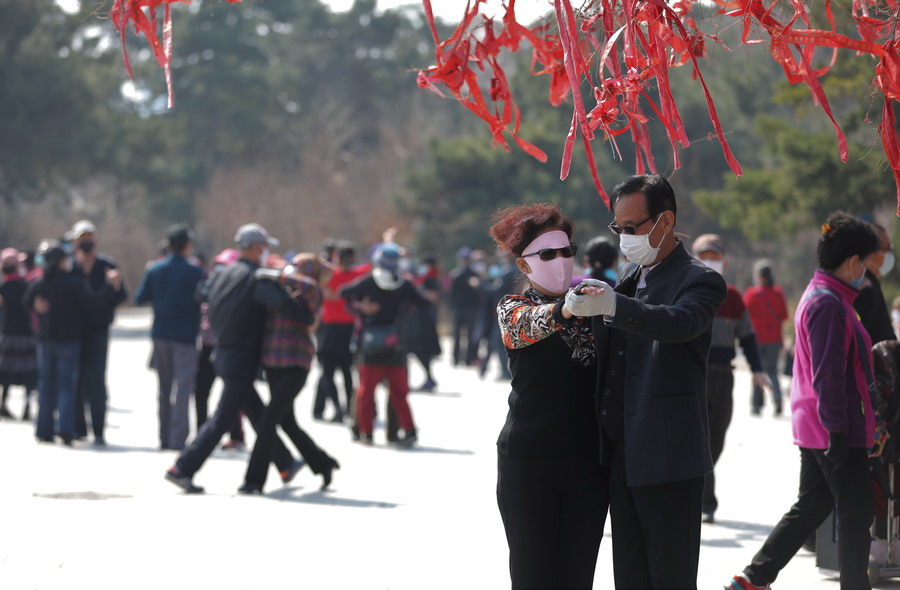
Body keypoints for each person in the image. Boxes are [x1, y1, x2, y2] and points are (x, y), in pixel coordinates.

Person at [565, 174, 727, 589]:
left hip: (669, 452)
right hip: (623, 449)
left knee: (669, 575)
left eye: (631, 227)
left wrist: (615, 306)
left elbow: (680, 323)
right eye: (617, 227)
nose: (623, 237)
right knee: (630, 572)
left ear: (665, 221)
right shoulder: (630, 273)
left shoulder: (699, 278)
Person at [726, 212, 879, 590]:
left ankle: (753, 578)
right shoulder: (828, 303)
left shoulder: (825, 296)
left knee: (812, 506)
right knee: (857, 514)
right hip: (835, 428)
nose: (867, 270)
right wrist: (838, 432)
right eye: (866, 262)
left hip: (818, 425)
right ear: (853, 262)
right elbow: (828, 374)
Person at [489, 203, 607, 589]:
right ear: (524, 265)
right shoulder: (513, 307)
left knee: (578, 576)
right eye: (548, 254)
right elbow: (525, 325)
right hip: (529, 462)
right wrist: (565, 310)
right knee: (532, 575)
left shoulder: (595, 307)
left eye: (566, 251)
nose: (561, 260)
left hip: (588, 462)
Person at [164, 223, 307, 493]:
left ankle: (285, 462)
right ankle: (182, 468)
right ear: (257, 248)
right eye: (264, 247)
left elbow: (200, 293)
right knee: (223, 418)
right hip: (242, 356)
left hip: (221, 352)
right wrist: (306, 311)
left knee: (257, 411)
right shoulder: (257, 278)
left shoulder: (221, 274)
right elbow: (283, 305)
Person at [240, 253, 340, 494]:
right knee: (286, 421)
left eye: (297, 266)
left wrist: (276, 273)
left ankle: (254, 481)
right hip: (273, 361)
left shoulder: (311, 289)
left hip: (296, 362)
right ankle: (322, 463)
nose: (291, 268)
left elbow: (298, 283)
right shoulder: (282, 288)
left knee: (268, 420)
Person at [692, 233, 770, 524]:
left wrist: (758, 370)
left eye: (714, 257)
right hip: (693, 374)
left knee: (715, 441)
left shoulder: (733, 297)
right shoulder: (684, 290)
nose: (710, 262)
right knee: (697, 440)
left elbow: (747, 337)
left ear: (724, 261)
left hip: (723, 376)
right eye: (704, 257)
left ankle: (701, 493)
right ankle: (705, 502)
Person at [24, 243, 118, 445]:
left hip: (46, 341)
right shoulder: (73, 283)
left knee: (46, 384)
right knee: (66, 385)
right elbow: (93, 302)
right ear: (59, 261)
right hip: (68, 342)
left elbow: (27, 300)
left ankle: (44, 429)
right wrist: (110, 286)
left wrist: (35, 306)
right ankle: (66, 428)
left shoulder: (41, 282)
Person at [340, 243, 429, 446]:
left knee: (365, 392)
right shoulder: (404, 284)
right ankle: (406, 431)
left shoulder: (368, 281)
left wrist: (361, 308)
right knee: (399, 393)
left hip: (370, 345)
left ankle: (366, 433)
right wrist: (405, 307)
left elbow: (343, 293)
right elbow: (424, 302)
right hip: (395, 344)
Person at [134, 226, 203, 451]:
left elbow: (140, 297)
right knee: (183, 389)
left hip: (161, 334)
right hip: (185, 336)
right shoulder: (195, 272)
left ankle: (163, 437)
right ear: (187, 246)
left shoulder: (155, 269)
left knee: (164, 389)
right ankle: (178, 438)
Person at [69, 220, 127, 445]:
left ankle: (99, 429)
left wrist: (114, 284)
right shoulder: (70, 266)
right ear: (75, 242)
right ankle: (78, 428)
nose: (86, 243)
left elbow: (122, 295)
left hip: (99, 330)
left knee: (97, 380)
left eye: (89, 239)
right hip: (74, 332)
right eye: (82, 239)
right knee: (76, 380)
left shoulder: (106, 264)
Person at [313, 240, 366, 422]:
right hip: (346, 329)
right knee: (346, 371)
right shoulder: (357, 275)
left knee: (329, 372)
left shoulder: (328, 275)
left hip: (330, 329)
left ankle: (338, 408)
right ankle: (348, 408)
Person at [744, 259, 790, 416]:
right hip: (774, 339)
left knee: (757, 370)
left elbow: (744, 316)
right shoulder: (778, 293)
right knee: (772, 370)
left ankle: (757, 405)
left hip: (756, 338)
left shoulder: (751, 294)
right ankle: (777, 397)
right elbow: (784, 315)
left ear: (759, 276)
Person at [0, 248, 37, 420]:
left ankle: (3, 403)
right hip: (25, 332)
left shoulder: (3, 287)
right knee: (28, 371)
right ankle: (27, 405)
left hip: (10, 332)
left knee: (7, 370)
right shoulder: (25, 284)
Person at [854, 223, 897, 344]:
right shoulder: (865, 286)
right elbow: (860, 339)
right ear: (871, 253)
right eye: (887, 248)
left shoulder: (872, 281)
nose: (889, 253)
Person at [404, 255, 442, 391]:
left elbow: (434, 297)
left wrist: (419, 293)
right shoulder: (418, 278)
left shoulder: (430, 279)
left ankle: (429, 379)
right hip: (414, 319)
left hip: (423, 320)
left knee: (420, 350)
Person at [448, 246, 481, 367]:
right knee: (456, 334)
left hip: (471, 308)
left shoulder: (474, 274)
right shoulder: (455, 274)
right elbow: (450, 293)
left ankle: (470, 359)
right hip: (458, 308)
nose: (465, 261)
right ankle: (456, 358)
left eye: (467, 259)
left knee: (471, 334)